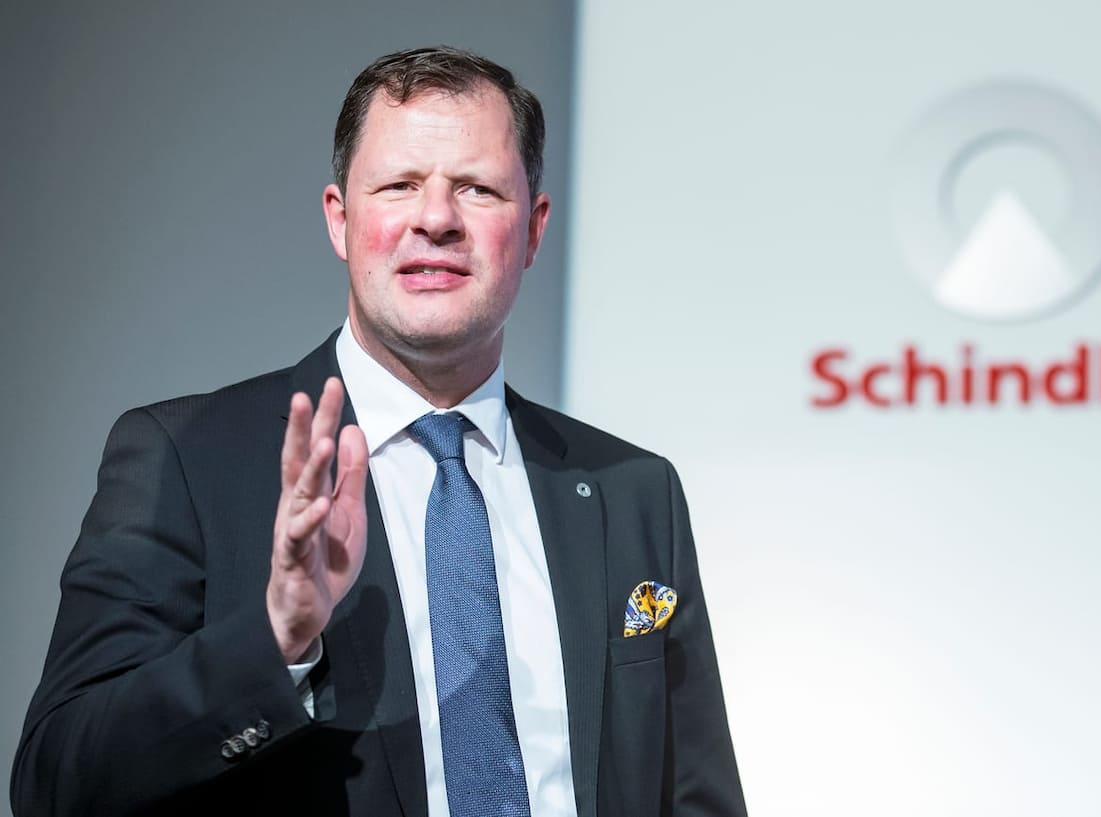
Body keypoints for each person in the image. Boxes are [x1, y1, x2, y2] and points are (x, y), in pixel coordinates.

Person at [11, 46, 746, 817]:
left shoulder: (633, 491)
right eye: (398, 185)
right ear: (341, 218)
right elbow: (55, 783)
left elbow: (693, 795)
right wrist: (275, 638)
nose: (435, 219)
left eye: (477, 188)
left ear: (532, 230)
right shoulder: (187, 460)